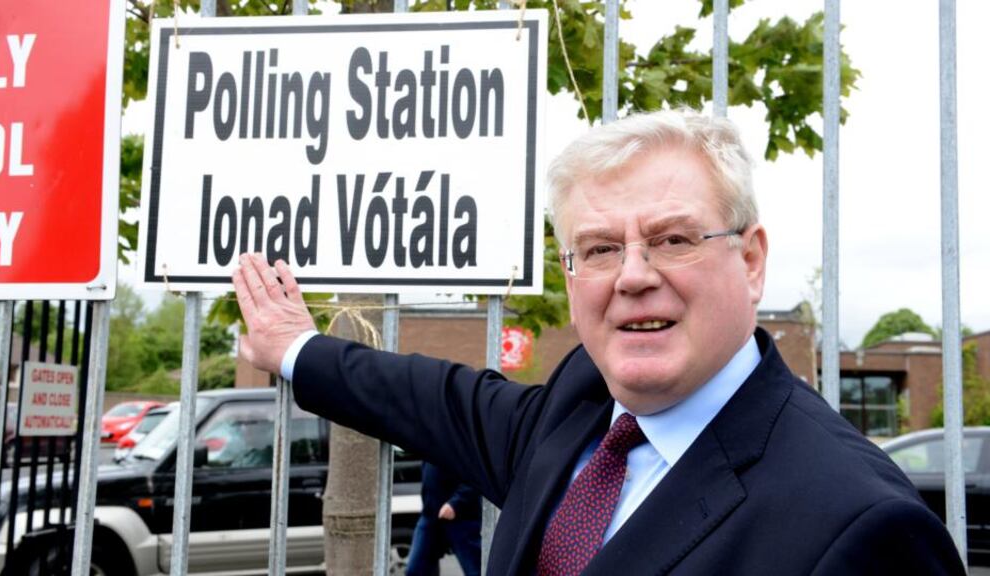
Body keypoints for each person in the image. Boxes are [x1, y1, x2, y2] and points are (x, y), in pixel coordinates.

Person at [232, 109, 965, 575]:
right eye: (601, 248)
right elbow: (435, 399)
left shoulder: (862, 526)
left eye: (673, 239)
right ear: (569, 271)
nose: (633, 277)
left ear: (750, 260)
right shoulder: (581, 406)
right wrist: (296, 346)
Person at [406, 461, 482, 576]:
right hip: (430, 515)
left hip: (461, 517)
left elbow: (476, 476)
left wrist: (455, 503)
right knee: (416, 570)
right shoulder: (430, 444)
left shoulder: (461, 443)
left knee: (476, 571)